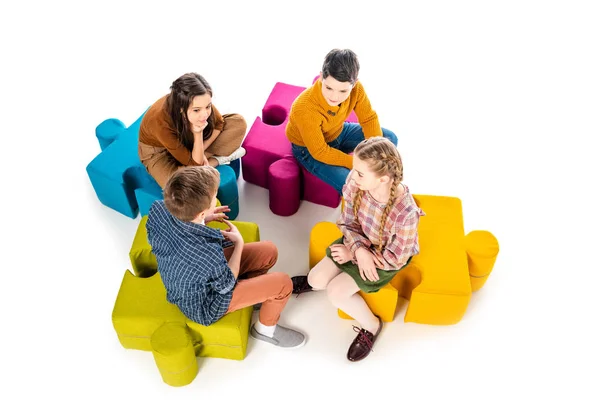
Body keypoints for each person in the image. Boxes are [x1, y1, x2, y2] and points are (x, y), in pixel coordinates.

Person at [293, 137, 425, 361]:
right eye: (354, 169)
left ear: (383, 179)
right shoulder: (357, 184)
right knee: (316, 280)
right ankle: (315, 281)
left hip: (383, 259)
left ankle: (371, 326)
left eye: (360, 173)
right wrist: (357, 251)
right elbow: (347, 222)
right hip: (357, 242)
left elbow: (396, 258)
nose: (353, 176)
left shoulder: (406, 214)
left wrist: (361, 256)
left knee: (336, 293)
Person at [146, 166, 306, 348]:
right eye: (214, 197)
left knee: (269, 251)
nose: (215, 199)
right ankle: (265, 330)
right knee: (284, 283)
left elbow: (169, 231)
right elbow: (226, 284)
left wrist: (203, 220)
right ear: (200, 211)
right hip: (205, 305)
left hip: (189, 274)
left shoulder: (158, 208)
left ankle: (255, 298)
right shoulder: (207, 254)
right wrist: (238, 243)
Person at [285, 49, 398, 195]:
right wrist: (360, 165)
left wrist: (374, 154)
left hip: (338, 131)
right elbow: (320, 151)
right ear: (321, 77)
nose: (334, 97)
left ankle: (378, 180)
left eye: (343, 91)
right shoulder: (304, 107)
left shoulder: (357, 89)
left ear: (354, 83)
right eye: (329, 88)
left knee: (389, 140)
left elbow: (368, 118)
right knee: (354, 186)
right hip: (308, 149)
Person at [139, 72, 247, 188]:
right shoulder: (160, 122)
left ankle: (202, 163)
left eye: (208, 106)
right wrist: (198, 134)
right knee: (175, 185)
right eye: (196, 110)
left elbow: (219, 124)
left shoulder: (200, 101)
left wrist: (201, 149)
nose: (205, 114)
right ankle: (216, 160)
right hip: (159, 150)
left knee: (238, 122)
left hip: (188, 135)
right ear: (181, 109)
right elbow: (195, 163)